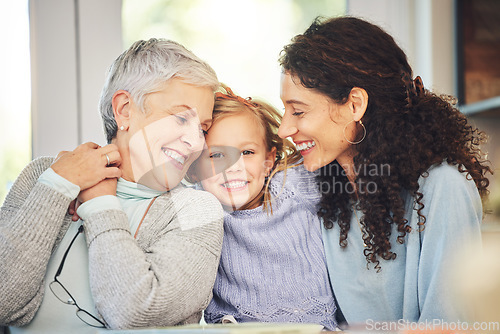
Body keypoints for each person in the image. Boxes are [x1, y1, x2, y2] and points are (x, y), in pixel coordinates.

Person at [277, 17, 491, 325]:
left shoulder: (443, 187)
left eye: (298, 111)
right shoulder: (326, 187)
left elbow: (448, 326)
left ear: (354, 105)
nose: (285, 128)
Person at [0, 38, 223, 333]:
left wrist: (100, 204)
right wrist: (56, 185)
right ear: (125, 110)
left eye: (203, 128)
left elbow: (135, 314)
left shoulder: (198, 210)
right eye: (181, 117)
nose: (196, 143)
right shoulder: (43, 176)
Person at [191, 86, 338, 330]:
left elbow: (338, 149)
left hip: (317, 327)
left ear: (268, 162)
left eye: (247, 152)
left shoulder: (290, 186)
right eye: (217, 156)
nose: (234, 167)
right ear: (194, 167)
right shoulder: (198, 207)